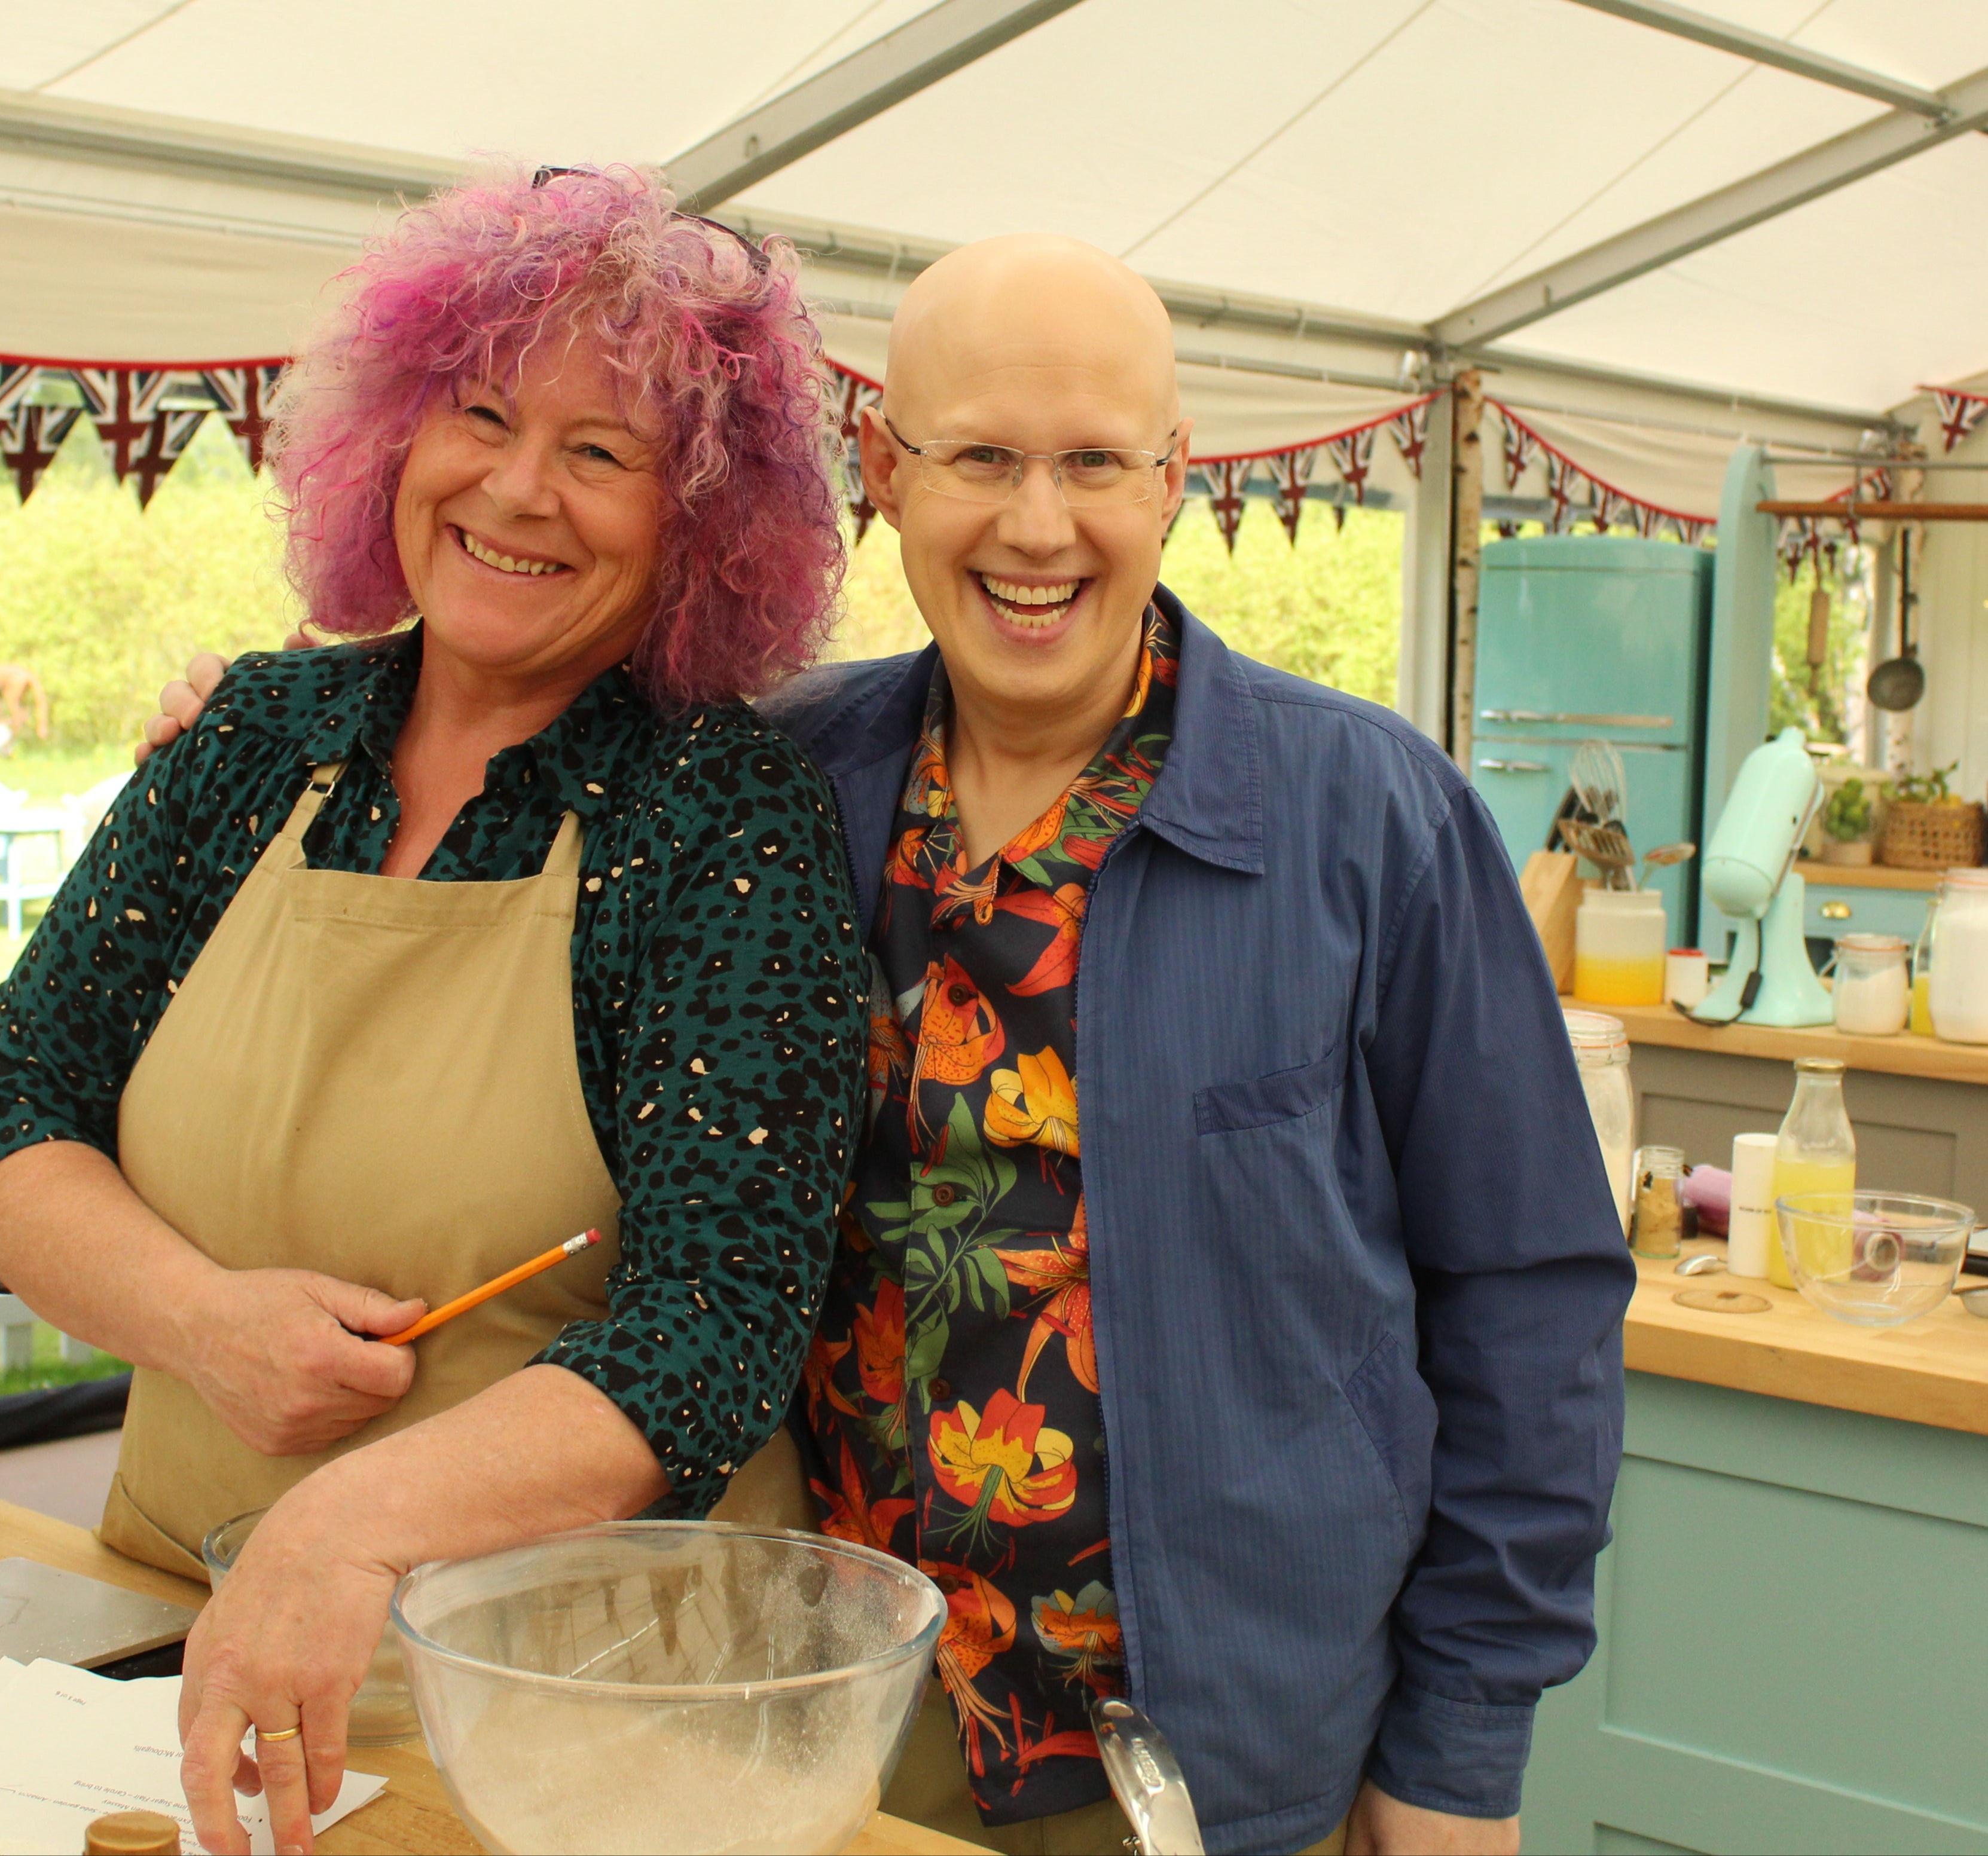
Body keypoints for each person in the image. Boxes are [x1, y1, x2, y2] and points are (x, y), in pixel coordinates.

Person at [149, 234, 1632, 1855]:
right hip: (815, 1721)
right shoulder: (773, 789)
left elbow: (1531, 1303)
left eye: (1094, 464)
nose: (1038, 524)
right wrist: (268, 712)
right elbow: (479, 705)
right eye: (981, 457)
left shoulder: (1367, 818)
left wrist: (1459, 1758)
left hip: (1223, 1759)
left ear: (1176, 477)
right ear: (884, 468)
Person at [0, 166, 866, 1856]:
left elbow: (710, 1331)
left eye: (602, 452)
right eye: (484, 414)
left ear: (701, 525)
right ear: (396, 436)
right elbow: (1, 1129)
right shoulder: (250, 741)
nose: (518, 489)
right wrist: (204, 1322)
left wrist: (346, 1527)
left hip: (569, 1721)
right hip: (157, 1642)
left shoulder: (717, 817)